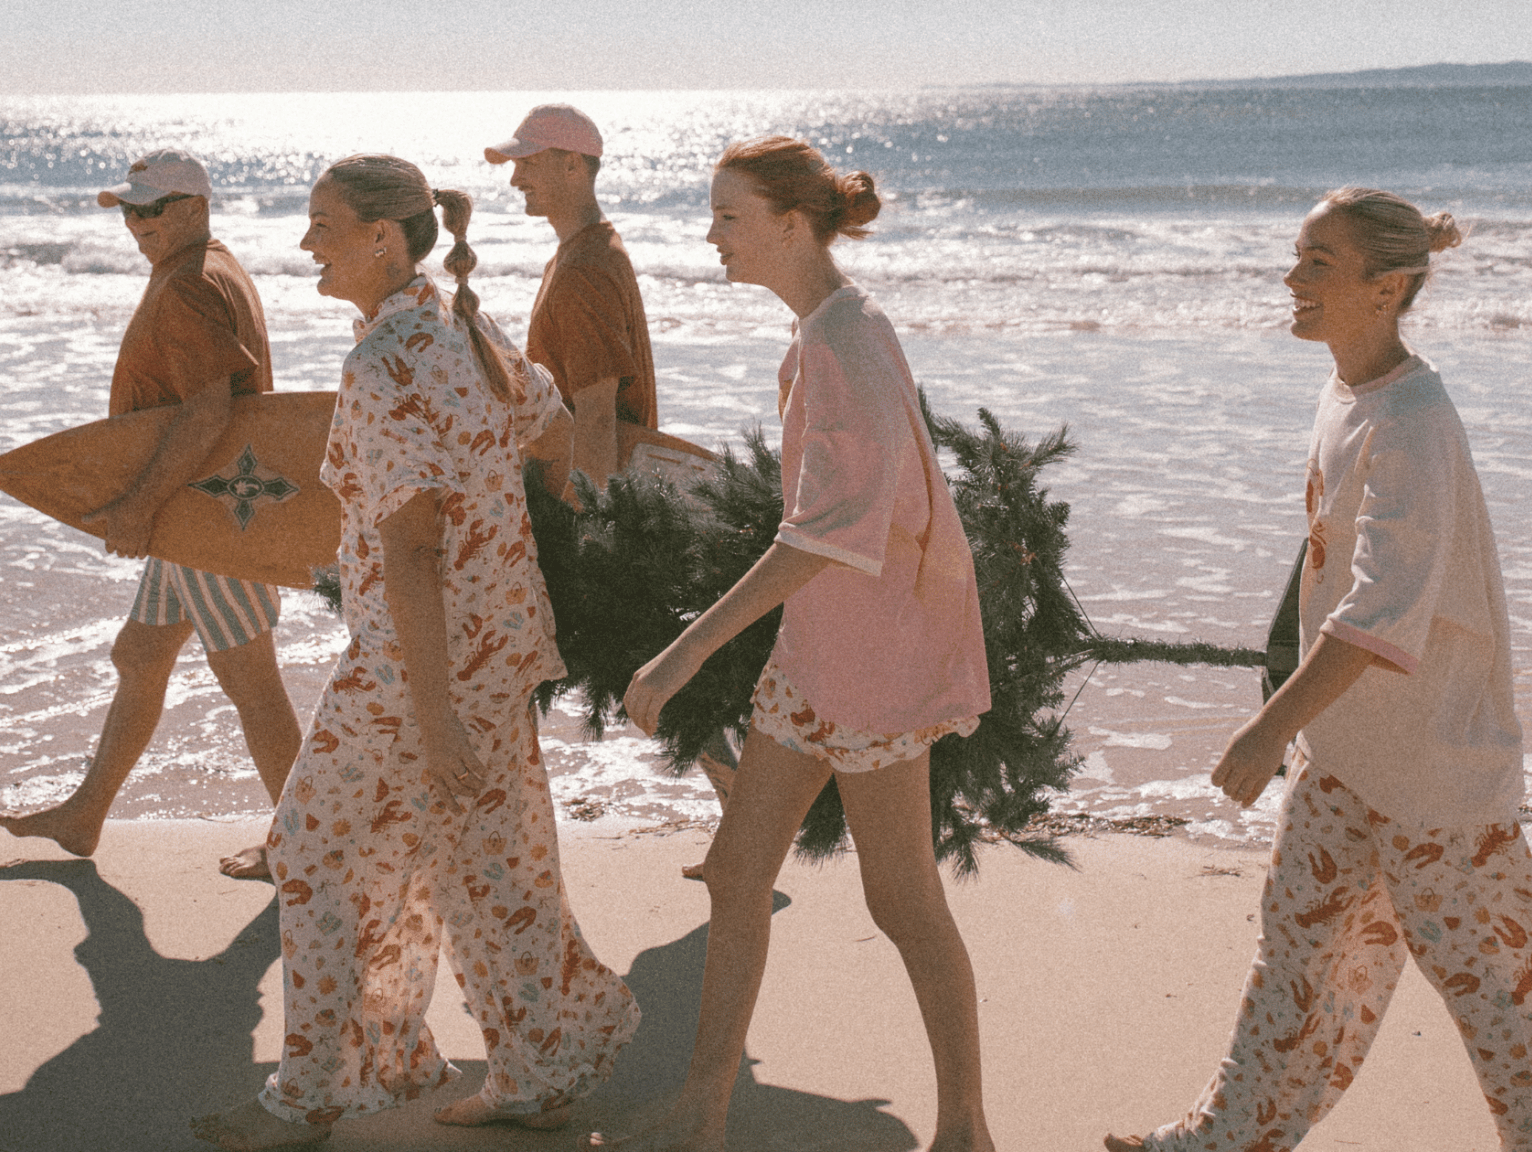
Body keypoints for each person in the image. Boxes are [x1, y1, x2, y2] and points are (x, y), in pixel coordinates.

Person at [192, 155, 637, 1151]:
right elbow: (553, 435)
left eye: (323, 224)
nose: (306, 242)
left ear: (382, 239)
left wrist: (433, 713)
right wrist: (515, 556)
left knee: (310, 849)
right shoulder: (462, 323)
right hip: (500, 647)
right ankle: (527, 1072)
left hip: (412, 670)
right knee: (492, 867)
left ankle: (316, 1095)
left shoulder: (386, 360)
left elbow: (414, 543)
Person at [1104, 189, 1532, 1151]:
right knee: (1297, 966)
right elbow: (1328, 559)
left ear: (1387, 288)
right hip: (1342, 759)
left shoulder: (1414, 419)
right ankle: (1221, 1139)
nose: (1292, 280)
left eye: (1318, 265)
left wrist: (1265, 729)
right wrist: (1296, 717)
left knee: (1503, 1011)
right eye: (1298, 258)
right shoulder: (1346, 392)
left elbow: (1382, 612)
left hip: (1434, 781)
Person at [591, 137, 995, 1152]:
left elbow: (828, 532)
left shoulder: (839, 341)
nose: (712, 235)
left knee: (898, 897)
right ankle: (702, 1108)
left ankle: (964, 1130)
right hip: (825, 651)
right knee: (736, 872)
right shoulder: (833, 327)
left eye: (727, 216)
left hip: (872, 662)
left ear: (785, 221)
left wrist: (682, 652)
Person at [0, 148, 301, 880]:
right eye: (130, 211)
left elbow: (207, 410)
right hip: (202, 508)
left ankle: (310, 847)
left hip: (203, 514)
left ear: (196, 207)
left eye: (153, 209)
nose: (137, 224)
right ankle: (85, 814)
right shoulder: (212, 266)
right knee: (140, 656)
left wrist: (137, 505)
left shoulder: (190, 287)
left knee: (252, 685)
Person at [487, 103, 737, 869]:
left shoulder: (587, 267)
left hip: (584, 504)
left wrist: (587, 526)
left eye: (530, 161)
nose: (517, 176)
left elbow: (595, 414)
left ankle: (751, 814)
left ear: (574, 165)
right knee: (633, 663)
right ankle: (748, 817)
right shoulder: (587, 252)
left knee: (621, 663)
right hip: (590, 498)